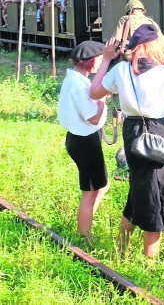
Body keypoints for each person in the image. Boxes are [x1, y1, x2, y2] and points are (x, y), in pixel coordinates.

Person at [89, 24, 164, 258]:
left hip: (132, 131)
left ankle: (121, 248)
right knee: (156, 193)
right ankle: (149, 262)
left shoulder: (120, 70)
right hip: (159, 134)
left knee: (139, 187)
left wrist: (105, 60)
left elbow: (94, 93)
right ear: (156, 47)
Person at [58, 41, 110, 244]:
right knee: (90, 192)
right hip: (84, 141)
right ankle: (83, 237)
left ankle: (86, 227)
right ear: (89, 62)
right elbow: (94, 118)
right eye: (99, 59)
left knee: (101, 187)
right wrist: (102, 98)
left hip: (81, 138)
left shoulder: (76, 80)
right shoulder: (79, 85)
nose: (101, 63)